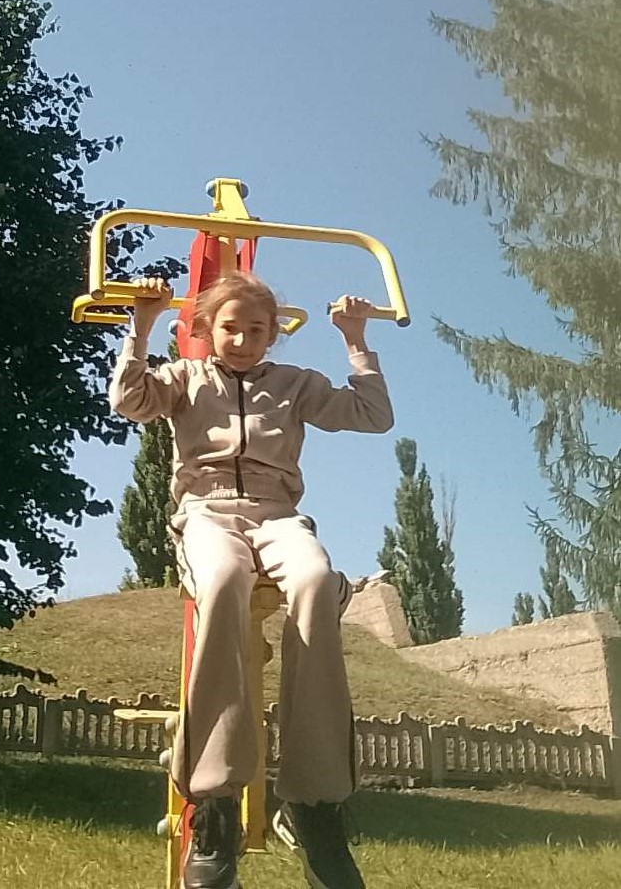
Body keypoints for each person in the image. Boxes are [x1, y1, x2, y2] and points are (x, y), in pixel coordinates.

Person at [109, 271, 394, 889]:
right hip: (207, 512)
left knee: (316, 582)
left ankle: (316, 806)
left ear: (273, 335)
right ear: (207, 329)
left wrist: (354, 339)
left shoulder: (294, 385)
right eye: (230, 328)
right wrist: (142, 326)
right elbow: (130, 402)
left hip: (277, 514)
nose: (242, 340)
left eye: (256, 330)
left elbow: (373, 416)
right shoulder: (186, 378)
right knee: (221, 583)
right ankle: (214, 807)